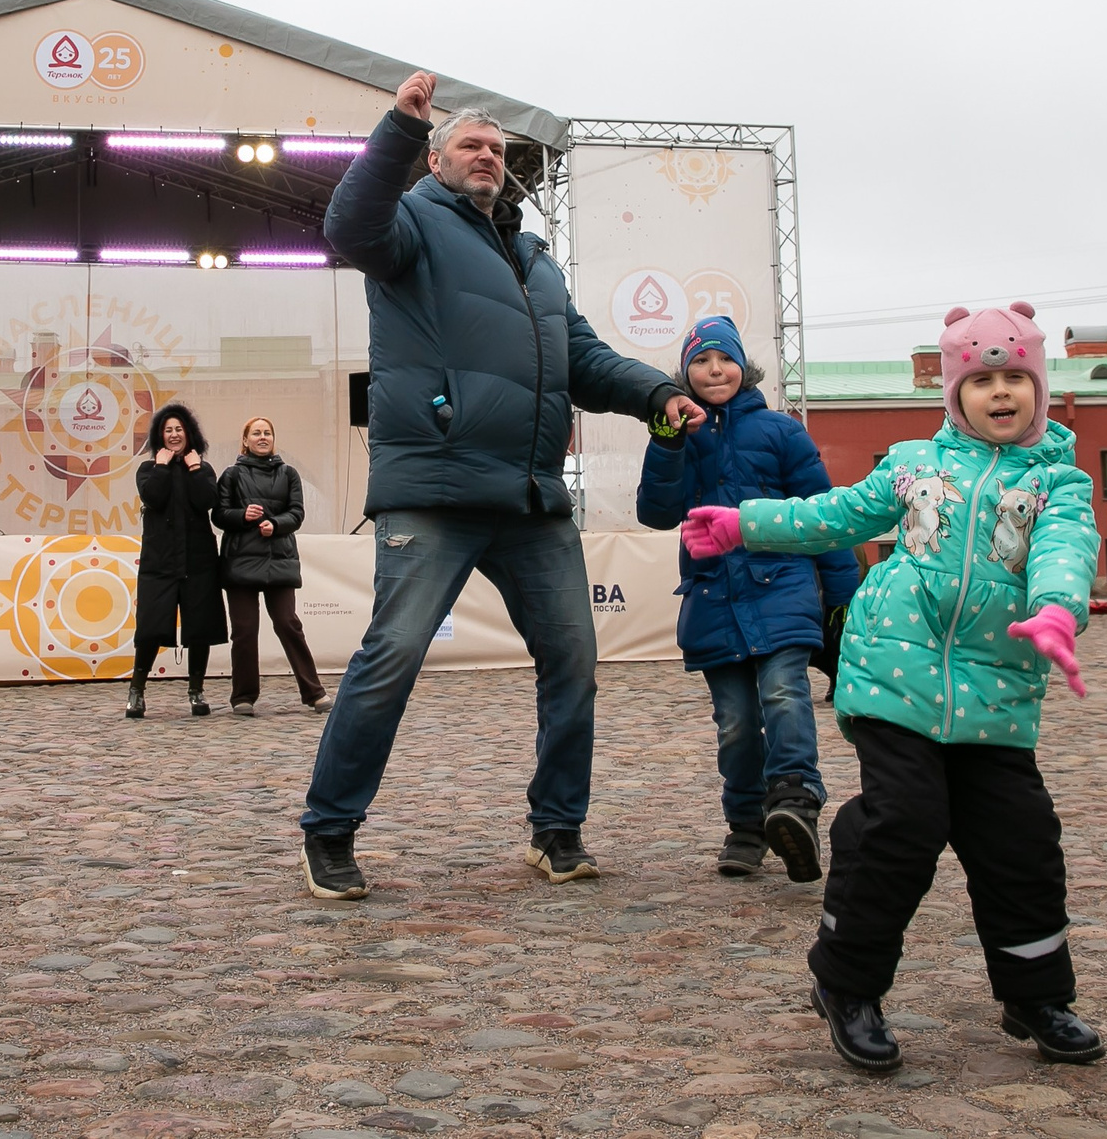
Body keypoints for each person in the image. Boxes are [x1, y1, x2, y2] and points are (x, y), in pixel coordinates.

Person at [302, 71, 707, 900]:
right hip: (435, 490)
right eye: (469, 146)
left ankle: (557, 830)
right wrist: (398, 129)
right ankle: (331, 828)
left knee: (574, 661)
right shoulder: (409, 223)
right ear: (438, 161)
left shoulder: (536, 263)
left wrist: (659, 393)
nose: (486, 156)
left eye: (497, 149)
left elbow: (584, 361)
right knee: (393, 656)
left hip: (529, 500)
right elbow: (347, 226)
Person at [680, 303, 1102, 1072]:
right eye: (983, 380)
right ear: (955, 392)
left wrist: (1055, 615)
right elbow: (833, 517)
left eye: (1016, 378)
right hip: (893, 678)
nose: (1001, 392)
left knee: (1021, 841)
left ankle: (1037, 994)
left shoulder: (1061, 485)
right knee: (905, 825)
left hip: (997, 696)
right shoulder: (916, 464)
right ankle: (847, 984)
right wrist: (745, 524)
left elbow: (1066, 555)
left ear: (1038, 388)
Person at [636, 317, 858, 883]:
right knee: (735, 723)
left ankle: (795, 799)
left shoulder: (782, 432)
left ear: (744, 367)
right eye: (702, 361)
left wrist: (842, 599)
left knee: (785, 693)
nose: (715, 370)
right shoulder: (676, 434)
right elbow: (656, 513)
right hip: (714, 600)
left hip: (782, 587)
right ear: (685, 373)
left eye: (725, 359)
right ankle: (746, 827)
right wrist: (667, 443)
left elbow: (825, 517)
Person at [214, 416, 329, 715]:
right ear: (246, 440)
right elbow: (219, 515)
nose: (262, 437)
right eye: (256, 433)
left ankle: (314, 692)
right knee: (244, 630)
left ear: (273, 439)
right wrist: (242, 516)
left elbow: (297, 513)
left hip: (279, 558)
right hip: (240, 562)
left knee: (288, 624)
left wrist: (275, 525)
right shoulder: (231, 475)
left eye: (267, 433)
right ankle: (243, 697)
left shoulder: (289, 473)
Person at [131, 404, 225, 718]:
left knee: (199, 627)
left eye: (179, 430)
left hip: (198, 562)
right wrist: (160, 466)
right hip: (160, 563)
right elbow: (153, 498)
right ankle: (137, 690)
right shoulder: (147, 470)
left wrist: (196, 469)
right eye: (168, 430)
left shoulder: (205, 469)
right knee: (150, 627)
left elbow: (207, 502)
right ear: (160, 436)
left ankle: (196, 690)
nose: (174, 435)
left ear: (189, 435)